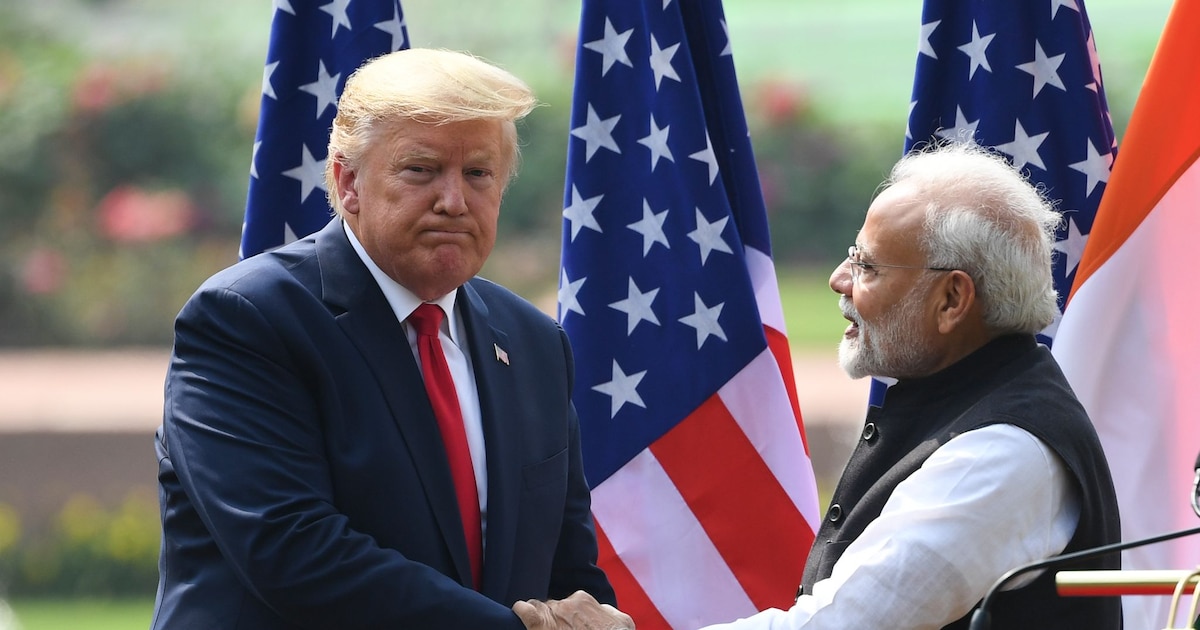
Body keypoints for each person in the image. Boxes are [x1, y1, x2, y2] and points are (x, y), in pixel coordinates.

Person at [151, 48, 633, 630]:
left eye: (478, 173)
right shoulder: (248, 320)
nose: (453, 200)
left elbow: (566, 569)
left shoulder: (532, 342)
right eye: (422, 170)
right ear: (348, 182)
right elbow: (294, 552)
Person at [699, 142, 1122, 629]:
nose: (840, 280)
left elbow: (842, 625)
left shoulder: (1003, 450)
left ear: (952, 299)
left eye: (868, 266)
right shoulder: (971, 401)